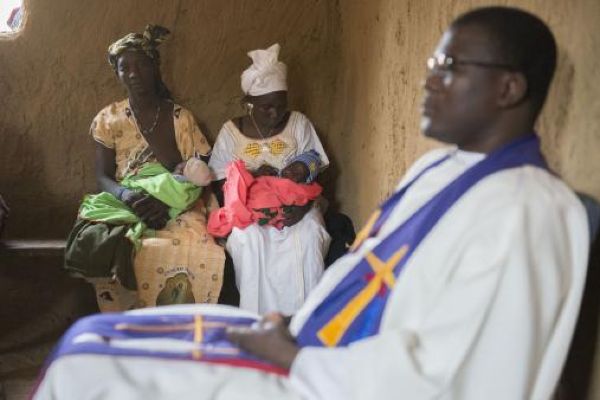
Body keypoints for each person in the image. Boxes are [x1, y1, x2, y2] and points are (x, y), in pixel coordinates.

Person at [34, 7, 589, 400]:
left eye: (450, 68)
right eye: (432, 64)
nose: (428, 80)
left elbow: (464, 379)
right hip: (319, 338)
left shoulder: (528, 215)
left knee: (89, 370)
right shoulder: (444, 169)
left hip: (334, 376)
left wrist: (297, 356)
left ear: (509, 89)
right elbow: (366, 270)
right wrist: (298, 319)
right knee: (91, 338)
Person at [64, 25, 225, 311]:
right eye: (125, 67)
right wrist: (127, 197)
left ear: (155, 67)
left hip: (176, 201)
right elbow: (102, 176)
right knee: (107, 243)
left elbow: (198, 173)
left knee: (193, 245)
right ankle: (126, 327)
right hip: (127, 197)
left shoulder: (180, 118)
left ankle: (178, 328)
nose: (134, 73)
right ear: (118, 74)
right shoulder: (109, 118)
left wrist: (169, 199)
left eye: (141, 65)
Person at [208, 43, 331, 315]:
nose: (274, 114)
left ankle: (305, 319)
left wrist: (302, 208)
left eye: (280, 105)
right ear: (248, 103)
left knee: (309, 236)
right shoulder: (231, 132)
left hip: (298, 207)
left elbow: (316, 171)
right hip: (250, 212)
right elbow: (219, 182)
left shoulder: (298, 123)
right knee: (247, 240)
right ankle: (258, 321)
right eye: (266, 108)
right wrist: (249, 179)